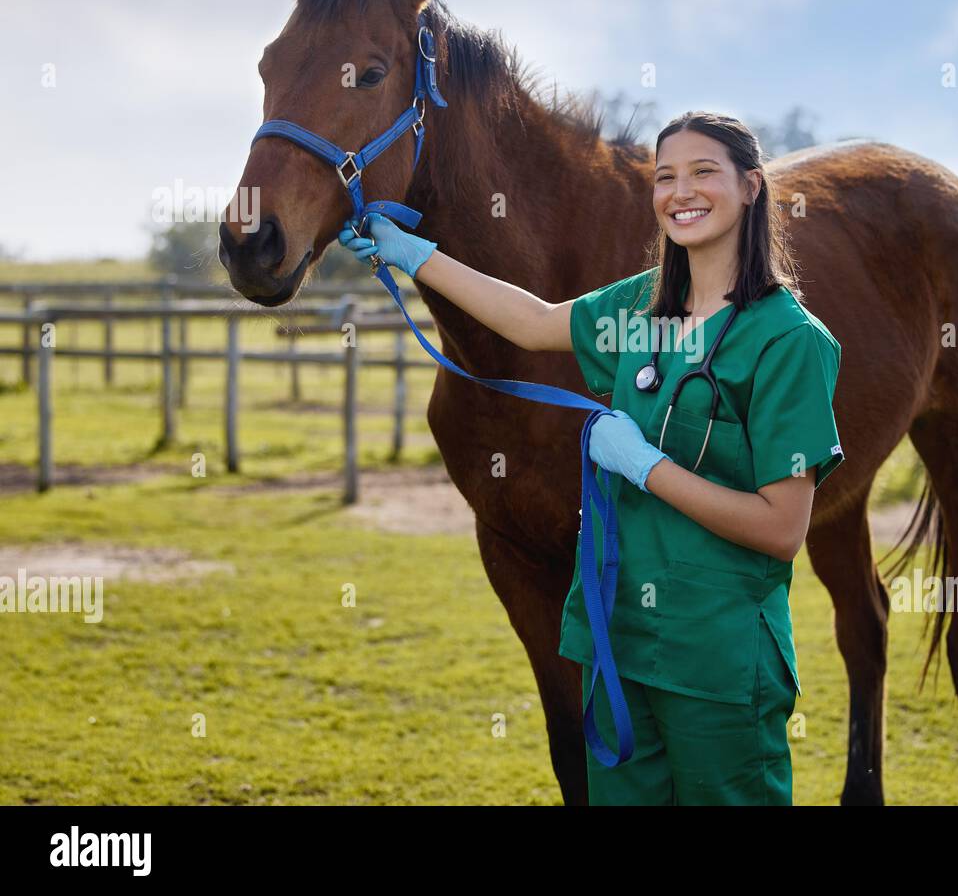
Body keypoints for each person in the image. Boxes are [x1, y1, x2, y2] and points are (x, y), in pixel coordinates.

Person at [340, 111, 844, 805]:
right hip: (616, 647)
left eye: (704, 173)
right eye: (666, 176)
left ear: (752, 187)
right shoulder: (638, 309)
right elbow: (531, 319)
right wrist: (412, 253)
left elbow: (782, 527)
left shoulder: (790, 342)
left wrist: (646, 468)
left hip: (718, 662)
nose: (680, 191)